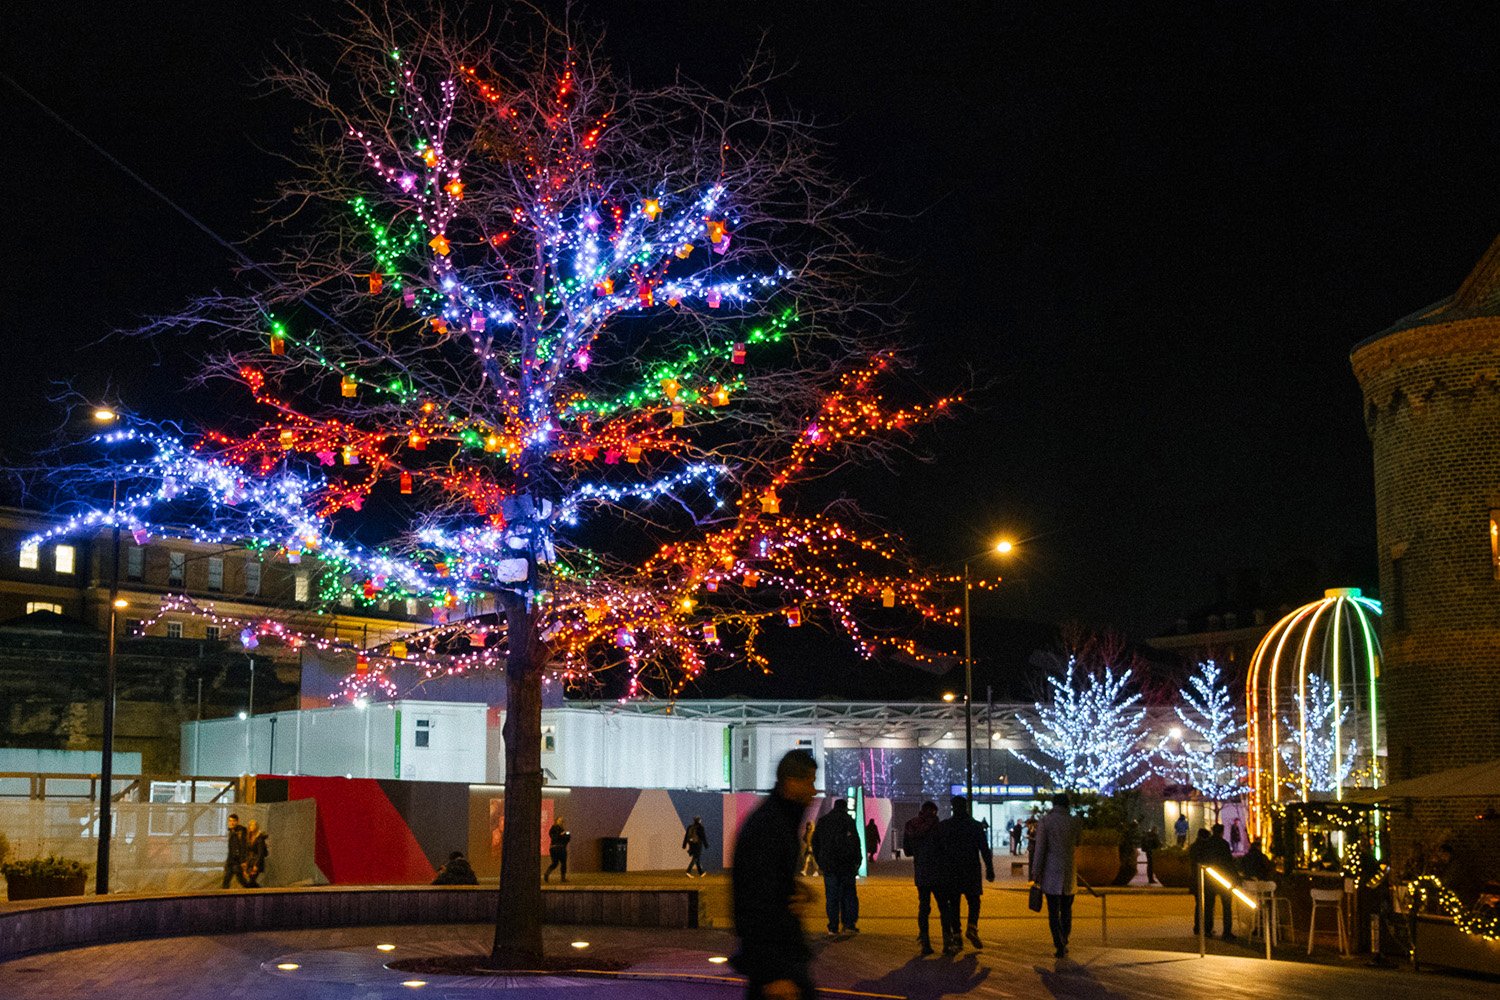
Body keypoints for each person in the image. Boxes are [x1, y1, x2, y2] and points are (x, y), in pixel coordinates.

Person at [731, 749, 819, 1000]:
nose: (814, 791)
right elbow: (754, 901)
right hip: (778, 966)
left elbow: (772, 884)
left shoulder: (778, 822)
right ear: (792, 782)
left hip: (782, 957)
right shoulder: (769, 828)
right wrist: (773, 974)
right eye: (810, 782)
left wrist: (799, 891)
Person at [933, 795, 995, 953]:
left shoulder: (946, 826)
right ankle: (972, 927)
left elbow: (938, 850)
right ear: (966, 807)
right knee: (974, 900)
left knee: (954, 904)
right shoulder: (975, 826)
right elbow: (984, 849)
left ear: (953, 807)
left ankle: (957, 934)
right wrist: (989, 868)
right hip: (971, 868)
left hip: (951, 870)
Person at [1032, 792, 1081, 959]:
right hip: (1069, 870)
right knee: (1067, 909)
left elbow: (1040, 849)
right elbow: (1078, 841)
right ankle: (1065, 939)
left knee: (1053, 911)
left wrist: (1036, 871)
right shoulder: (1074, 821)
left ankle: (1058, 943)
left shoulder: (1046, 822)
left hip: (1051, 871)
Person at [812, 799, 862, 936]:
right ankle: (849, 924)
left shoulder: (823, 821)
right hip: (846, 865)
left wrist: (820, 860)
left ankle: (833, 927)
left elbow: (815, 842)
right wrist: (858, 860)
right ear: (845, 807)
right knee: (849, 895)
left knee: (832, 896)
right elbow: (856, 842)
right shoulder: (848, 820)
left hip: (829, 865)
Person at [902, 801, 941, 955]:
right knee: (944, 907)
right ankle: (948, 942)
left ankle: (925, 940)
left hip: (921, 871)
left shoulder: (910, 825)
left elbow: (907, 852)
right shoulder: (938, 826)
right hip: (938, 872)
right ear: (933, 811)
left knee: (924, 907)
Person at [1189, 826, 1236, 939]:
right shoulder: (1224, 844)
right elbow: (1229, 862)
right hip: (1224, 879)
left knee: (1209, 906)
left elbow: (1202, 860)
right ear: (1221, 832)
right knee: (1227, 906)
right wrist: (1234, 878)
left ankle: (1207, 929)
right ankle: (1227, 931)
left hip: (1210, 879)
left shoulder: (1206, 844)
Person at [221, 813, 249, 888]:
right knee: (227, 881)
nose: (231, 823)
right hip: (232, 861)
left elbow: (243, 847)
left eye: (233, 821)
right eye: (230, 821)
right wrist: (228, 862)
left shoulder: (240, 832)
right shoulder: (231, 832)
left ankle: (255, 891)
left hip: (237, 861)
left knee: (241, 880)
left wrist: (243, 861)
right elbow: (231, 849)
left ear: (237, 821)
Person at [242, 819, 269, 887]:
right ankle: (261, 891)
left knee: (251, 882)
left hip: (257, 862)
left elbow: (261, 853)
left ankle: (262, 892)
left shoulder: (260, 838)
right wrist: (246, 862)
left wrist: (256, 865)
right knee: (250, 882)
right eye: (250, 825)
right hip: (250, 862)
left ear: (256, 826)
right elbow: (247, 851)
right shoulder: (249, 837)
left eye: (253, 825)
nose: (251, 826)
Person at [544, 816, 571, 883]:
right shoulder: (554, 828)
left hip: (555, 848)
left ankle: (547, 874)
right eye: (560, 820)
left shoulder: (561, 830)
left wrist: (566, 835)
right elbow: (555, 837)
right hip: (559, 848)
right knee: (562, 863)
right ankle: (562, 878)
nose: (561, 822)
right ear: (556, 821)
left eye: (562, 821)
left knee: (555, 863)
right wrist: (562, 835)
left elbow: (567, 839)